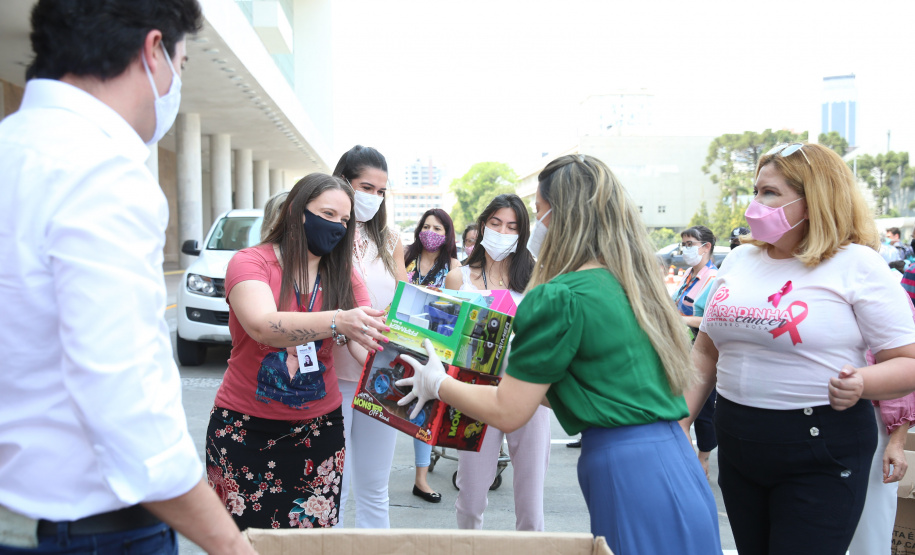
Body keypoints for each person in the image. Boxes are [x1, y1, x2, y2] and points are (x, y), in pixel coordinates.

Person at [0, 1, 255, 553]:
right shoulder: (103, 170)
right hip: (90, 531)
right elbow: (126, 407)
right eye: (182, 66)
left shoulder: (11, 147)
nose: (176, 82)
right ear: (153, 51)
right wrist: (231, 546)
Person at [398, 155, 722, 554]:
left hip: (627, 470)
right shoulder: (633, 284)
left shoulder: (559, 296)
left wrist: (438, 383)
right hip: (676, 461)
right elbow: (590, 385)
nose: (532, 229)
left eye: (535, 215)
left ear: (559, 216)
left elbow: (509, 410)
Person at [681, 142, 915, 555]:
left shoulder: (857, 264)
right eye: (755, 191)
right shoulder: (739, 262)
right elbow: (706, 353)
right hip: (738, 441)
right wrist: (680, 422)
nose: (755, 204)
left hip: (821, 445)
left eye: (770, 193)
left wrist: (862, 381)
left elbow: (908, 363)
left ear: (816, 199)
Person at [204, 173, 389, 530]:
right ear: (295, 211)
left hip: (319, 432)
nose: (336, 226)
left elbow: (365, 342)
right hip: (244, 429)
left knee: (311, 544)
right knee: (239, 542)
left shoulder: (343, 274)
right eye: (328, 213)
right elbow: (262, 325)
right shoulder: (250, 262)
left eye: (344, 220)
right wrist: (338, 321)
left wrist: (418, 376)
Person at [442, 194, 551, 531]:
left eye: (512, 226)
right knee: (471, 499)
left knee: (531, 505)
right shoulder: (458, 278)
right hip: (473, 394)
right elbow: (445, 339)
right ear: (483, 223)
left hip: (530, 392)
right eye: (496, 223)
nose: (503, 232)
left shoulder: (538, 279)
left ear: (523, 233)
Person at [331, 145, 407, 528]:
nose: (373, 198)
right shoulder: (326, 233)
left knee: (376, 487)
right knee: (334, 488)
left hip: (381, 377)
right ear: (343, 181)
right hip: (334, 378)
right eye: (366, 187)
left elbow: (406, 305)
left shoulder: (390, 241)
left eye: (381, 191)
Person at [402, 208, 461, 502]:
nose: (431, 232)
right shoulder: (405, 257)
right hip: (398, 339)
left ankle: (420, 479)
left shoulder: (452, 267)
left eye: (438, 228)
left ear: (447, 234)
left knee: (421, 413)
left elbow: (454, 309)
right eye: (427, 226)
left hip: (432, 348)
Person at [672, 225, 719, 476]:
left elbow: (712, 320)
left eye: (690, 244)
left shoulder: (713, 279)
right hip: (682, 349)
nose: (685, 249)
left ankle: (703, 459)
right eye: (684, 244)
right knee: (683, 405)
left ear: (706, 247)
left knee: (702, 408)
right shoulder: (689, 274)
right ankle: (687, 458)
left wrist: (682, 320)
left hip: (702, 349)